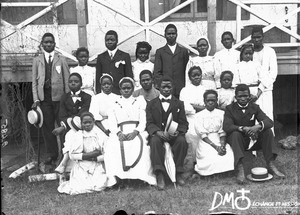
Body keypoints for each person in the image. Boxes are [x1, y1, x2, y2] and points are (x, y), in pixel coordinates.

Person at [223, 84, 285, 184]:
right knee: (235, 134)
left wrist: (258, 126)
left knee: (267, 131)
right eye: (240, 96)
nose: (243, 99)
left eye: (245, 96)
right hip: (238, 140)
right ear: (235, 97)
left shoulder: (254, 107)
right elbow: (227, 126)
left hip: (252, 139)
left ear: (249, 96)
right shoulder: (230, 108)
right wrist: (242, 128)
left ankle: (270, 164)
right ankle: (240, 168)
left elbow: (269, 122)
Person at [104, 77, 156, 186]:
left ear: (133, 89)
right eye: (124, 88)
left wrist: (136, 132)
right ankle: (117, 177)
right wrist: (118, 133)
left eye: (129, 88)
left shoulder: (139, 101)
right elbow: (112, 122)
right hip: (119, 131)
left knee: (138, 144)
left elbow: (143, 120)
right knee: (112, 145)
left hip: (136, 130)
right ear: (120, 90)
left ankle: (139, 175)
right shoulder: (114, 102)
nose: (126, 90)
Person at [31, 32, 70, 165]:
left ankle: (66, 153)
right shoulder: (37, 60)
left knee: (63, 125)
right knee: (47, 127)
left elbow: (67, 80)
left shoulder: (61, 59)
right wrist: (36, 99)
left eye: (50, 42)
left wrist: (67, 97)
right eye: (46, 42)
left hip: (60, 98)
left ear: (54, 44)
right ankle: (52, 154)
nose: (48, 44)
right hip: (44, 99)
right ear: (42, 44)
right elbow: (34, 82)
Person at [58, 112, 116, 195]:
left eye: (90, 122)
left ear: (93, 122)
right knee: (80, 187)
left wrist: (95, 158)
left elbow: (108, 154)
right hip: (82, 166)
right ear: (81, 124)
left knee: (99, 186)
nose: (87, 125)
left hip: (96, 164)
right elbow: (72, 155)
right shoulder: (77, 136)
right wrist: (90, 155)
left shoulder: (100, 135)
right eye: (85, 123)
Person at [146, 76, 188, 190]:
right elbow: (149, 123)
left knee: (181, 141)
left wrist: (178, 131)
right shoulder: (151, 104)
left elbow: (184, 123)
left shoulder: (179, 103)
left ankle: (178, 172)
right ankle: (159, 174)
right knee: (154, 141)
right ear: (158, 87)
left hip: (173, 134)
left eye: (168, 87)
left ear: (173, 88)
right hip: (159, 134)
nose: (166, 89)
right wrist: (157, 132)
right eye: (163, 87)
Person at [53, 73, 91, 174]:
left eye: (76, 81)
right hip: (68, 127)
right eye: (70, 82)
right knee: (69, 135)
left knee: (72, 135)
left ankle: (64, 163)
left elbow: (82, 114)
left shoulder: (87, 97)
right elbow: (62, 115)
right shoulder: (64, 97)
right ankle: (65, 164)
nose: (73, 83)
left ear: (81, 83)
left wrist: (64, 126)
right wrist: (65, 125)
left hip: (82, 126)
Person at [194, 90, 234, 176]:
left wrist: (222, 146)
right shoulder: (198, 115)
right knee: (210, 156)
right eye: (208, 100)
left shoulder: (222, 113)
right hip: (206, 141)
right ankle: (210, 173)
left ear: (216, 101)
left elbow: (222, 132)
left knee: (228, 154)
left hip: (220, 139)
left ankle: (224, 172)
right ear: (204, 101)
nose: (210, 102)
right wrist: (216, 147)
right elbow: (202, 134)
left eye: (213, 100)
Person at [179, 66, 206, 173]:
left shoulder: (205, 89)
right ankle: (192, 162)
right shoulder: (185, 90)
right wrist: (199, 107)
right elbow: (184, 107)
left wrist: (194, 105)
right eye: (193, 75)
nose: (196, 77)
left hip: (203, 117)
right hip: (189, 118)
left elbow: (209, 106)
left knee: (204, 133)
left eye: (198, 75)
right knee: (191, 134)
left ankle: (203, 162)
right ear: (189, 77)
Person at [153, 24, 189, 98]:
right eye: (169, 34)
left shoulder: (183, 51)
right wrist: (163, 86)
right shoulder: (160, 52)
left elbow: (186, 70)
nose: (171, 36)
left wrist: (185, 86)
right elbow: (157, 72)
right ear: (165, 35)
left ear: (177, 35)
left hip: (181, 88)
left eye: (173, 33)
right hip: (166, 89)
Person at [251, 27, 278, 121]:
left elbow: (273, 73)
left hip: (266, 89)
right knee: (253, 117)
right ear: (251, 38)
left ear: (263, 37)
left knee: (267, 115)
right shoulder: (249, 52)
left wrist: (260, 89)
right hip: (252, 89)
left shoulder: (270, 51)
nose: (257, 39)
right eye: (254, 37)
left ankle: (269, 136)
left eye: (259, 37)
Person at [95, 30, 133, 95]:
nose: (109, 42)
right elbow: (98, 77)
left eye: (112, 40)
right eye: (107, 40)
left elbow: (129, 76)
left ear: (117, 41)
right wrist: (99, 93)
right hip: (106, 92)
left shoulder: (125, 56)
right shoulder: (101, 57)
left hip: (120, 92)